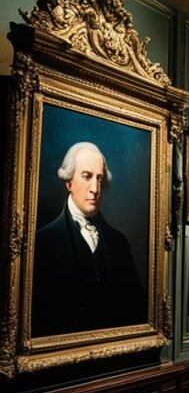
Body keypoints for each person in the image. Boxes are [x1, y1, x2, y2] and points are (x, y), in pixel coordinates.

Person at [32, 142, 147, 337]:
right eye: (86, 176)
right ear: (69, 182)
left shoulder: (119, 243)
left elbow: (136, 311)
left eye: (100, 179)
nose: (95, 188)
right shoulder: (42, 243)